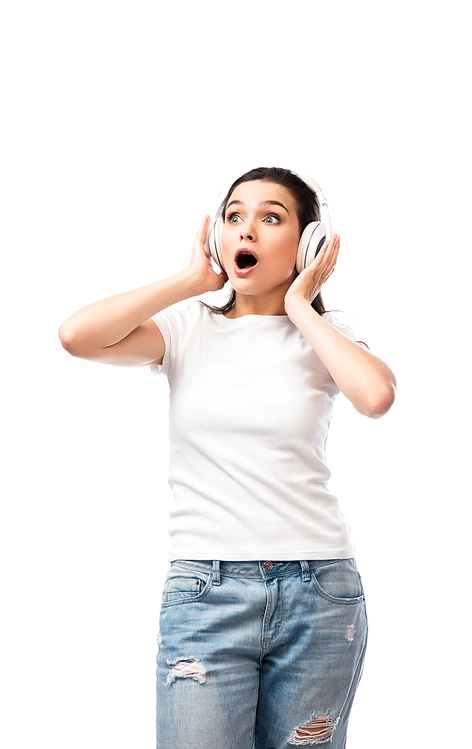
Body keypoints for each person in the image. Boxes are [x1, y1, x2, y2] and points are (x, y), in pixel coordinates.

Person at [59, 166, 396, 749]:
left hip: (320, 594)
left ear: (309, 244)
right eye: (235, 217)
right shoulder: (187, 328)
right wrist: (192, 279)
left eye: (272, 218)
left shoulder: (324, 332)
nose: (248, 230)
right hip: (206, 591)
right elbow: (77, 336)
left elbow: (376, 396)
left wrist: (301, 306)